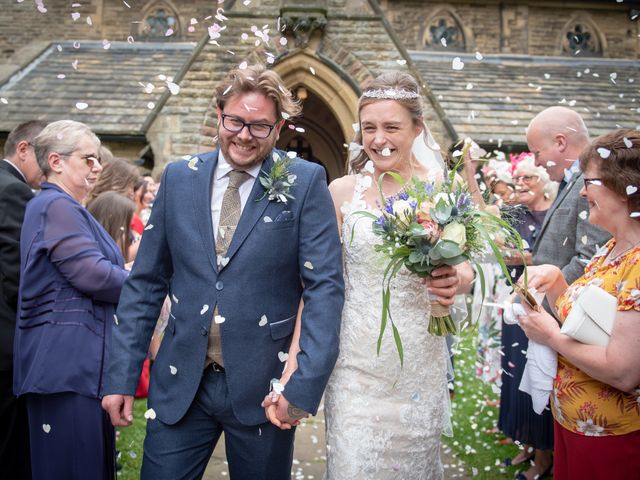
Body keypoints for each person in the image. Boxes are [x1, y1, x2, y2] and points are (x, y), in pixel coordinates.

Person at [101, 63, 344, 480]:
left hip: (264, 388)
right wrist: (122, 375)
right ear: (219, 115)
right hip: (181, 383)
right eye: (235, 121)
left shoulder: (305, 182)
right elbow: (146, 283)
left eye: (260, 126)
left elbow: (324, 287)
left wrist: (301, 387)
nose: (245, 135)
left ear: (279, 127)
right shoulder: (179, 178)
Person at [319, 71, 473, 479]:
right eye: (369, 127)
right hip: (355, 362)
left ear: (417, 127)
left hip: (418, 361)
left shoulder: (442, 185)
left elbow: (467, 263)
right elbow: (322, 278)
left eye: (391, 126)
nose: (378, 138)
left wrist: (458, 279)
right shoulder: (340, 191)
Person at [518, 128, 640, 479]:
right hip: (573, 423)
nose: (583, 191)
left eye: (591, 183)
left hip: (612, 434)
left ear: (623, 187)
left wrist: (550, 337)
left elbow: (623, 370)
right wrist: (557, 282)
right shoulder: (609, 249)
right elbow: (590, 325)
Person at [12, 120, 128, 480]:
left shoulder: (64, 207)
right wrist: (148, 282)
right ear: (56, 161)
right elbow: (91, 274)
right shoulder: (55, 205)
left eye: (98, 160)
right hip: (64, 365)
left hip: (78, 364)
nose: (97, 167)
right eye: (88, 159)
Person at [498, 154, 557, 479]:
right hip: (514, 302)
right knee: (514, 374)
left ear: (543, 181)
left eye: (527, 179)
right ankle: (526, 443)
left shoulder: (555, 212)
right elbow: (505, 253)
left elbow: (548, 257)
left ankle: (544, 457)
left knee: (536, 375)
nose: (520, 185)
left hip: (540, 304)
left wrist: (517, 254)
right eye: (517, 179)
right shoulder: (513, 213)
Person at [0, 119, 47, 479]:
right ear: (23, 149)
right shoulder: (13, 192)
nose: (49, 166)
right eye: (44, 155)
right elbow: (19, 274)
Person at [527, 106, 610, 287]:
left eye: (537, 153)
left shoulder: (591, 183)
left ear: (560, 143)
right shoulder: (571, 181)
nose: (536, 162)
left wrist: (535, 301)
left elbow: (589, 259)